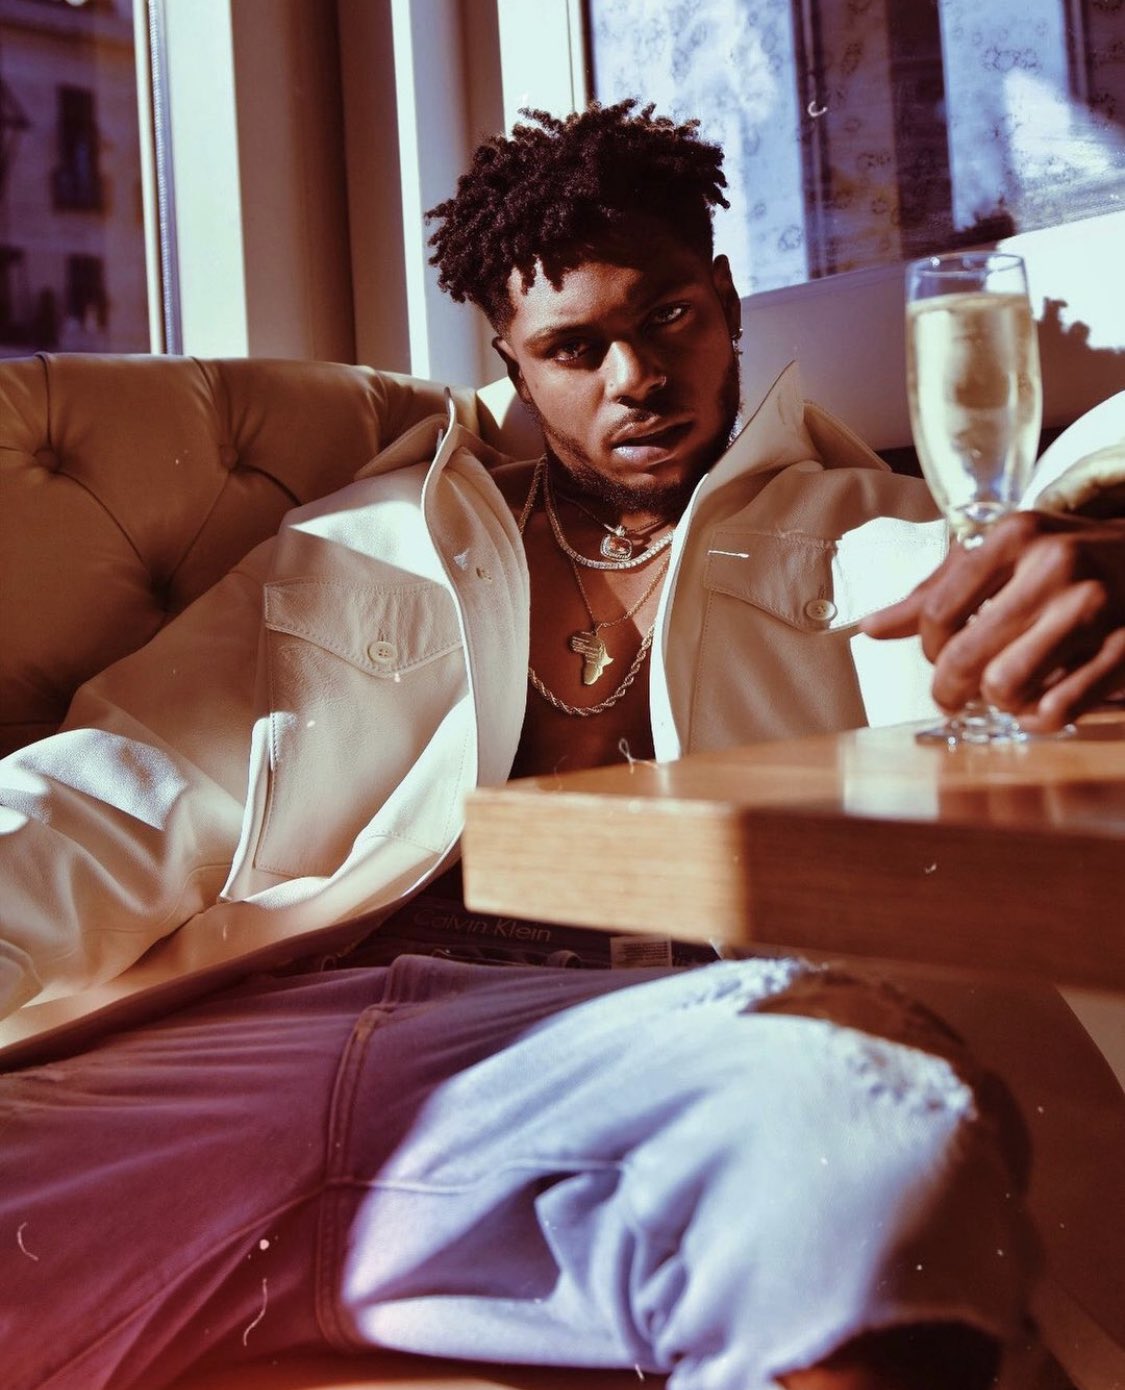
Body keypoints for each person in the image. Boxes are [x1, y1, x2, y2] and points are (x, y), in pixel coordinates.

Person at [2, 101, 1124, 1390]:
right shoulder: (362, 543)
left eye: (669, 318)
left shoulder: (863, 529)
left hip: (646, 1051)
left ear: (727, 303)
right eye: (574, 348)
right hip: (260, 1038)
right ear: (513, 362)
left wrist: (1110, 555)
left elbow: (1023, 606)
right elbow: (117, 796)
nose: (634, 377)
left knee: (855, 1125)